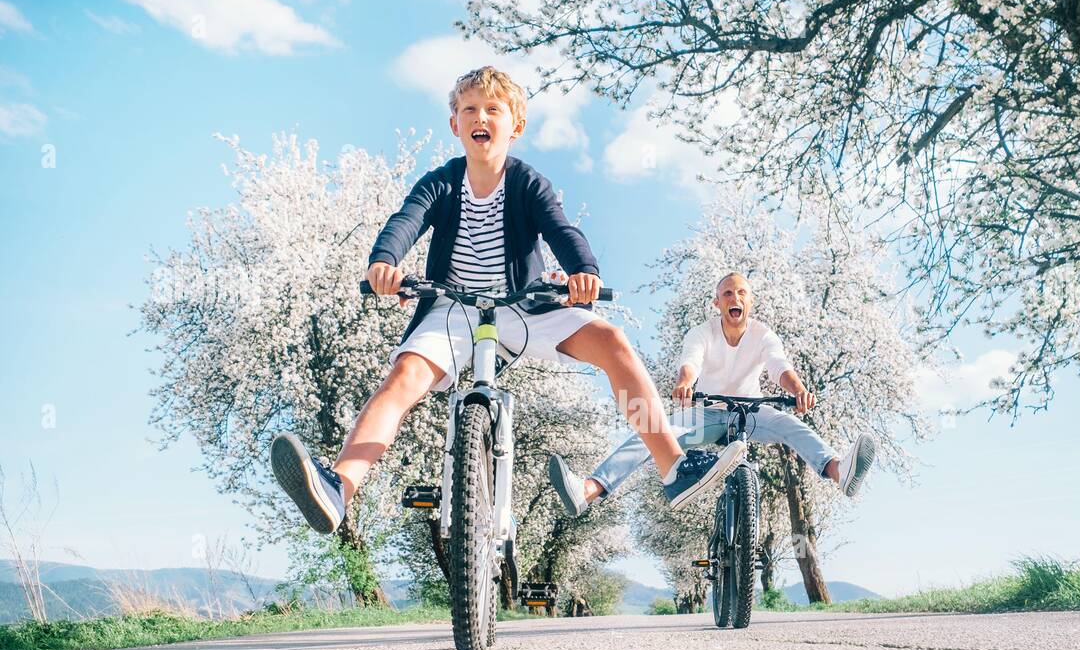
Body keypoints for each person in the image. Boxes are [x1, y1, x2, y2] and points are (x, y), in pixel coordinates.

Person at [269, 66, 743, 533]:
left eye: (493, 109)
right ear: (455, 124)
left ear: (514, 126)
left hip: (522, 307)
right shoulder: (441, 182)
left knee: (613, 341)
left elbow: (561, 228)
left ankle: (672, 465)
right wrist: (384, 262)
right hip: (451, 310)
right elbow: (405, 220)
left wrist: (583, 272)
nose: (481, 117)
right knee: (403, 378)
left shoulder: (527, 183)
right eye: (470, 109)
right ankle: (340, 488)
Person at [548, 272, 875, 517]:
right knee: (652, 432)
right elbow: (691, 362)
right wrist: (685, 383)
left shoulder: (763, 335)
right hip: (706, 412)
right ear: (717, 302)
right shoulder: (702, 332)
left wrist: (799, 390)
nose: (735, 297)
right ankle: (589, 490)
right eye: (728, 293)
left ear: (750, 302)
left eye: (742, 293)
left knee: (792, 427)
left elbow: (779, 367)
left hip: (751, 414)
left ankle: (837, 470)